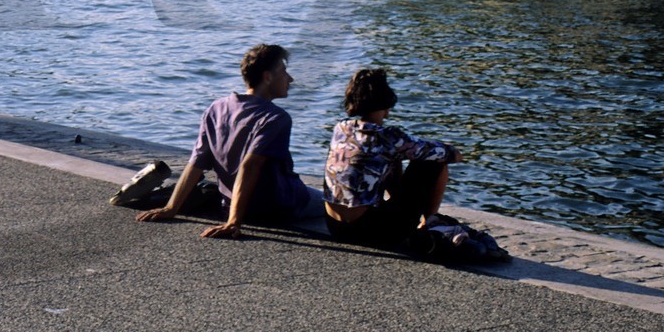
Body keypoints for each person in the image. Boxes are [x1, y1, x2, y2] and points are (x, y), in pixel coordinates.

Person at [137, 43, 317, 238]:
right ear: (267, 77)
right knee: (329, 201)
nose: (290, 79)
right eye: (283, 72)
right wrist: (233, 223)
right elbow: (249, 166)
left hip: (230, 204)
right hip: (277, 206)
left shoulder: (217, 108)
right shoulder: (276, 118)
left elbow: (197, 162)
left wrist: (171, 208)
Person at [322, 67, 462, 249]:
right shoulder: (389, 137)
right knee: (434, 163)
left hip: (335, 227)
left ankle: (419, 221)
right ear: (387, 103)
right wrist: (452, 151)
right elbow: (449, 154)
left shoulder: (341, 128)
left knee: (389, 158)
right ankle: (429, 223)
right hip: (367, 232)